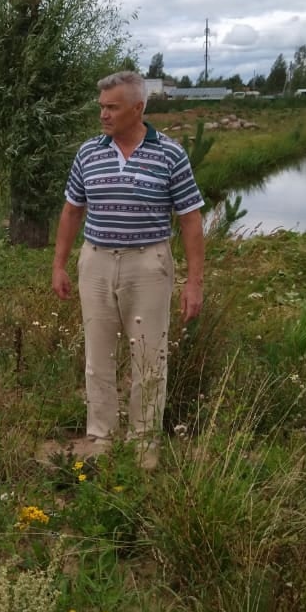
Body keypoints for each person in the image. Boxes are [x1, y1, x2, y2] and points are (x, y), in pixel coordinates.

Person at [52, 70, 205, 467]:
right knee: (97, 354)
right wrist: (60, 264)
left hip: (147, 263)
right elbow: (72, 210)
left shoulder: (170, 154)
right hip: (97, 261)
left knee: (149, 356)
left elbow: (190, 218)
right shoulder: (89, 153)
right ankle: (101, 438)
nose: (103, 114)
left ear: (138, 108)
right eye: (101, 107)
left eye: (112, 107)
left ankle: (143, 447)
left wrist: (194, 282)